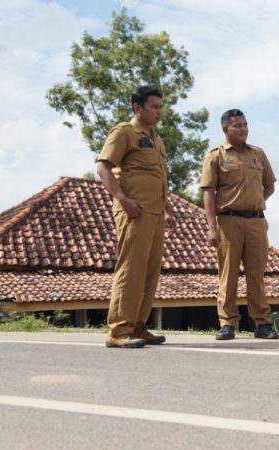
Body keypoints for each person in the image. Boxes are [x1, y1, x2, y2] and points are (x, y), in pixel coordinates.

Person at [96, 85, 176, 348]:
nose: (159, 112)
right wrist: (122, 199)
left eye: (161, 108)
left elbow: (158, 178)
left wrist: (166, 209)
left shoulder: (157, 139)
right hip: (133, 212)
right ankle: (119, 330)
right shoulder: (124, 133)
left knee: (150, 272)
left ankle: (139, 325)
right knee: (131, 269)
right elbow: (103, 167)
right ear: (137, 108)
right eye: (154, 107)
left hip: (155, 214)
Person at [200, 109, 279, 341]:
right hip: (228, 221)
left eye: (245, 124)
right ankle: (227, 323)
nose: (243, 129)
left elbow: (270, 186)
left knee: (257, 274)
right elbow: (208, 193)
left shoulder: (258, 154)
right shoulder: (216, 156)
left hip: (256, 221)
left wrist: (255, 201)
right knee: (229, 273)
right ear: (225, 129)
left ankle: (263, 324)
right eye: (237, 125)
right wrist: (211, 227)